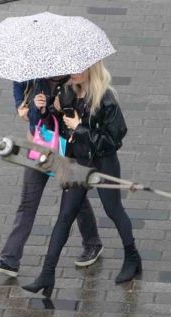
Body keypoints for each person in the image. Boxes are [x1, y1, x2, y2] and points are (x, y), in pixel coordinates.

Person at [22, 60, 141, 296]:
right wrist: (44, 110)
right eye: (71, 67)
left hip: (103, 163)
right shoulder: (66, 92)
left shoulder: (105, 99)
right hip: (77, 162)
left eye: (79, 68)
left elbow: (113, 141)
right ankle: (47, 273)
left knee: (113, 209)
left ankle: (132, 257)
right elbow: (55, 125)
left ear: (91, 69)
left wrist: (80, 128)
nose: (73, 73)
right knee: (65, 215)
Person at [0, 76, 103, 278]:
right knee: (28, 201)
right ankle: (10, 259)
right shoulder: (33, 74)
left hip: (66, 148)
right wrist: (26, 106)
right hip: (40, 145)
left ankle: (92, 243)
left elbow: (83, 119)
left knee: (74, 198)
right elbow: (19, 87)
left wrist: (59, 107)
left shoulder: (75, 80)